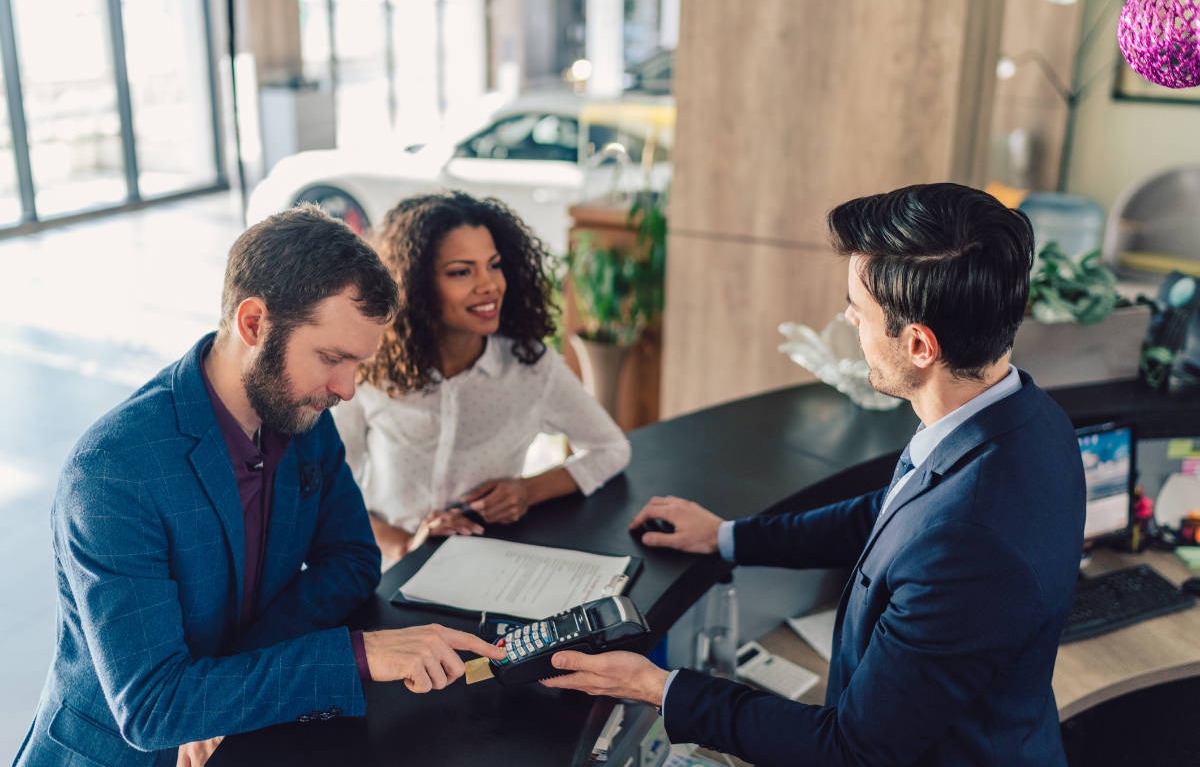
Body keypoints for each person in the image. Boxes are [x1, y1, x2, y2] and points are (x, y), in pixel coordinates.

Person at [543, 183, 1087, 766]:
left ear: (921, 345)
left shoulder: (970, 537)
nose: (850, 317)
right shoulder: (1025, 417)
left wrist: (657, 687)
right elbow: (893, 513)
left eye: (861, 307)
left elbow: (849, 749)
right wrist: (728, 537)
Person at [15, 206, 504, 767]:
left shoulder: (305, 416)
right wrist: (354, 655)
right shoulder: (112, 474)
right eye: (331, 358)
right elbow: (152, 708)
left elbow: (352, 560)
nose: (345, 389)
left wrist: (223, 692)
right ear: (253, 324)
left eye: (358, 364)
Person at [332, 191, 631, 564]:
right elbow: (330, 491)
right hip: (385, 568)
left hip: (485, 566)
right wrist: (401, 544)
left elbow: (611, 449)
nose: (489, 285)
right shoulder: (368, 366)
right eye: (461, 271)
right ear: (415, 284)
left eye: (494, 265)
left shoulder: (531, 367)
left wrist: (527, 491)